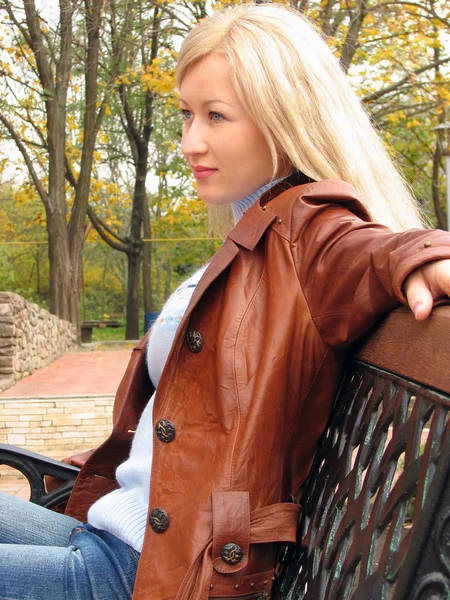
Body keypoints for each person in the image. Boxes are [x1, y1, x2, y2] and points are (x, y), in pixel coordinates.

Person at [1, 3, 450, 600]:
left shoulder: (307, 228)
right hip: (121, 532)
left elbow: (367, 250)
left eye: (217, 115)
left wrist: (421, 256)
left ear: (285, 119)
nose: (191, 141)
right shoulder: (253, 238)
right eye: (187, 114)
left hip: (146, 573)